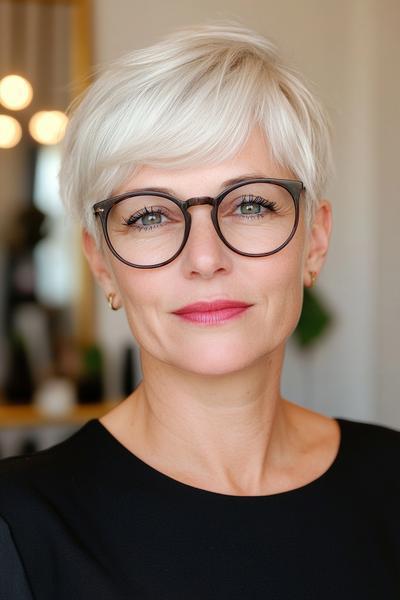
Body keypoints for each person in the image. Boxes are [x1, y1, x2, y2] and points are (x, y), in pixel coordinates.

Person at [0, 22, 399, 600]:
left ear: (313, 240)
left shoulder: (396, 481)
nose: (205, 258)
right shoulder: (18, 526)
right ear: (103, 264)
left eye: (251, 204)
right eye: (149, 216)